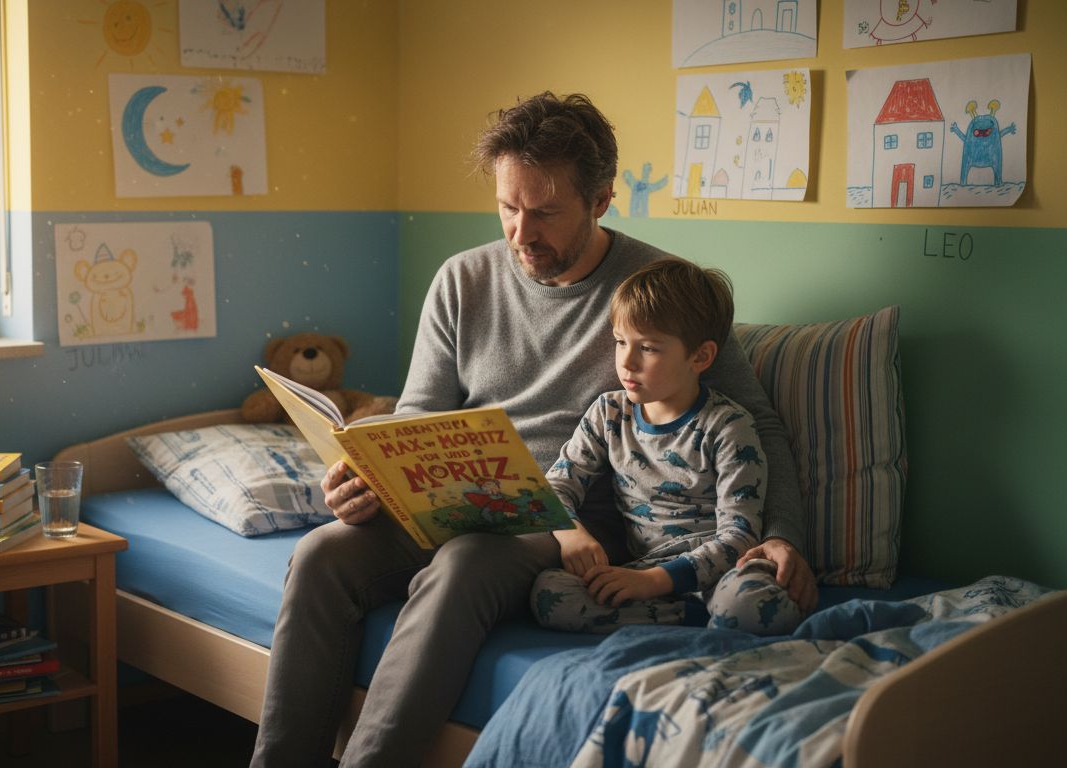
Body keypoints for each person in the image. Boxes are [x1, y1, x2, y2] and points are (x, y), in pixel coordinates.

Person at [249, 91, 817, 768]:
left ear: (601, 200)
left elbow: (757, 424)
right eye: (507, 208)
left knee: (465, 564)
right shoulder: (462, 279)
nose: (521, 233)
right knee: (320, 553)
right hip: (456, 498)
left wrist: (782, 534)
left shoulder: (656, 293)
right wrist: (368, 479)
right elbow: (418, 413)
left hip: (569, 520)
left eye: (545, 212)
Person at [531, 259, 802, 635]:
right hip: (645, 569)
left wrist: (654, 583)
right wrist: (571, 533)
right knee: (549, 594)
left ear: (700, 357)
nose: (627, 362)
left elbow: (739, 537)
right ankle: (691, 619)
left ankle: (709, 616)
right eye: (621, 342)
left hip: (721, 572)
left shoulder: (728, 426)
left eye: (648, 348)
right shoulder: (609, 414)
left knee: (750, 605)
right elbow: (553, 487)